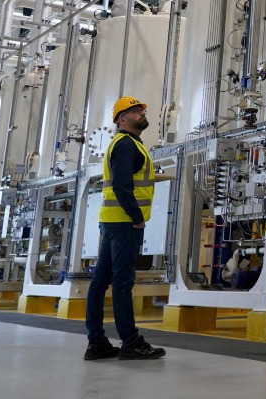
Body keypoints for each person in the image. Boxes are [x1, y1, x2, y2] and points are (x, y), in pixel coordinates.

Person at [84, 96, 167, 360]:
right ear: (122, 119)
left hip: (113, 221)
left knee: (100, 282)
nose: (142, 113)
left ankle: (97, 343)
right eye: (135, 111)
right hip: (124, 223)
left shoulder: (127, 145)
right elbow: (122, 186)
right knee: (121, 282)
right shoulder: (126, 145)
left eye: (142, 109)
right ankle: (130, 342)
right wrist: (136, 217)